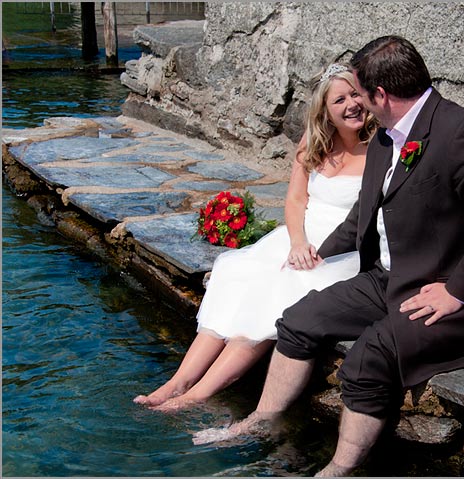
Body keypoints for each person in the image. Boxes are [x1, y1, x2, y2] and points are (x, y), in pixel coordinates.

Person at [192, 35, 464, 476]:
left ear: (381, 95)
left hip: (447, 295)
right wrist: (314, 255)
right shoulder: (388, 137)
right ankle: (261, 421)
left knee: (367, 358)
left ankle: (337, 470)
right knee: (297, 319)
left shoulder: (462, 131)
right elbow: (362, 216)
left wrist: (458, 292)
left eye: (362, 93)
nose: (359, 104)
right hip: (387, 277)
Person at [133, 63, 377, 411]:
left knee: (272, 296)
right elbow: (294, 199)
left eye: (355, 94)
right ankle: (178, 382)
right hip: (300, 237)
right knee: (239, 276)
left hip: (341, 250)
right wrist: (296, 241)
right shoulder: (315, 141)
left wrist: (310, 251)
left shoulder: (382, 149)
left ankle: (197, 396)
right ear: (326, 111)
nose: (351, 104)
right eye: (340, 100)